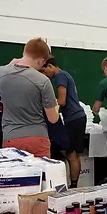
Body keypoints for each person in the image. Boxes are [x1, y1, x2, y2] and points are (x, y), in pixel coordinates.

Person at [0, 37, 59, 157]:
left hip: (11, 138)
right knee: (42, 175)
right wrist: (56, 108)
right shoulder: (43, 81)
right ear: (41, 61)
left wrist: (8, 65)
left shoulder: (1, 72)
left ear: (24, 52)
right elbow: (53, 119)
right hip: (38, 139)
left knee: (15, 175)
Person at [41, 58, 86, 188]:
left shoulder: (60, 76)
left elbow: (62, 101)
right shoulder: (65, 74)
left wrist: (49, 103)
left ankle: (73, 186)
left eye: (45, 71)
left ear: (50, 66)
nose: (45, 75)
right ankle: (74, 184)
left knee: (71, 154)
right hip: (77, 117)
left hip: (73, 118)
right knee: (74, 154)